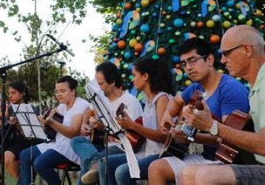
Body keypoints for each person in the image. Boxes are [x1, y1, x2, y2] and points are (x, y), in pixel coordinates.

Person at [147, 37, 251, 185]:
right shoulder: (196, 87)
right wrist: (167, 115)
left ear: (209, 59)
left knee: (188, 174)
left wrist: (191, 137)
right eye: (184, 64)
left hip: (225, 161)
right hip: (205, 156)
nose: (188, 67)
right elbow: (176, 101)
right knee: (156, 168)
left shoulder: (230, 89)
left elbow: (230, 140)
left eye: (193, 60)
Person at [178, 25, 265, 184]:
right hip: (257, 163)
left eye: (226, 53)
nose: (223, 60)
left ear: (247, 49)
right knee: (188, 174)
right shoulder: (255, 84)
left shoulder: (256, 85)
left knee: (206, 176)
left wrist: (211, 125)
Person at [101, 57, 176, 185]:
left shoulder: (162, 99)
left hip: (162, 155)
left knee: (122, 172)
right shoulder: (148, 100)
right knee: (105, 163)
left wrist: (133, 125)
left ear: (145, 76)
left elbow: (164, 136)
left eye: (135, 75)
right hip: (147, 153)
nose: (132, 79)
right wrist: (128, 124)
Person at [71, 62, 144, 185]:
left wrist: (105, 127)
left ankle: (95, 162)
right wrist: (88, 124)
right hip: (106, 145)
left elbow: (135, 138)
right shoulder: (102, 101)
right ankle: (95, 161)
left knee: (91, 162)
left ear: (112, 82)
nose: (98, 88)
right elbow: (89, 110)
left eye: (101, 84)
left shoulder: (130, 101)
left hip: (122, 148)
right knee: (76, 141)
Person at [19, 76, 90, 185]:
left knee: (40, 163)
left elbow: (74, 132)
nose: (58, 94)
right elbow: (51, 114)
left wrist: (51, 122)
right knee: (24, 155)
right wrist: (44, 121)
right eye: (56, 91)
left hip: (71, 147)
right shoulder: (63, 106)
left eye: (62, 91)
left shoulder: (80, 105)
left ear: (73, 91)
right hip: (57, 144)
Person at [0, 81, 38, 185]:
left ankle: (23, 182)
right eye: (9, 93)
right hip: (9, 139)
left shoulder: (31, 109)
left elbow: (31, 134)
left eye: (14, 93)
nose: (10, 96)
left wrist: (18, 124)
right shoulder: (11, 108)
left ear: (23, 93)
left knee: (7, 157)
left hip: (24, 141)